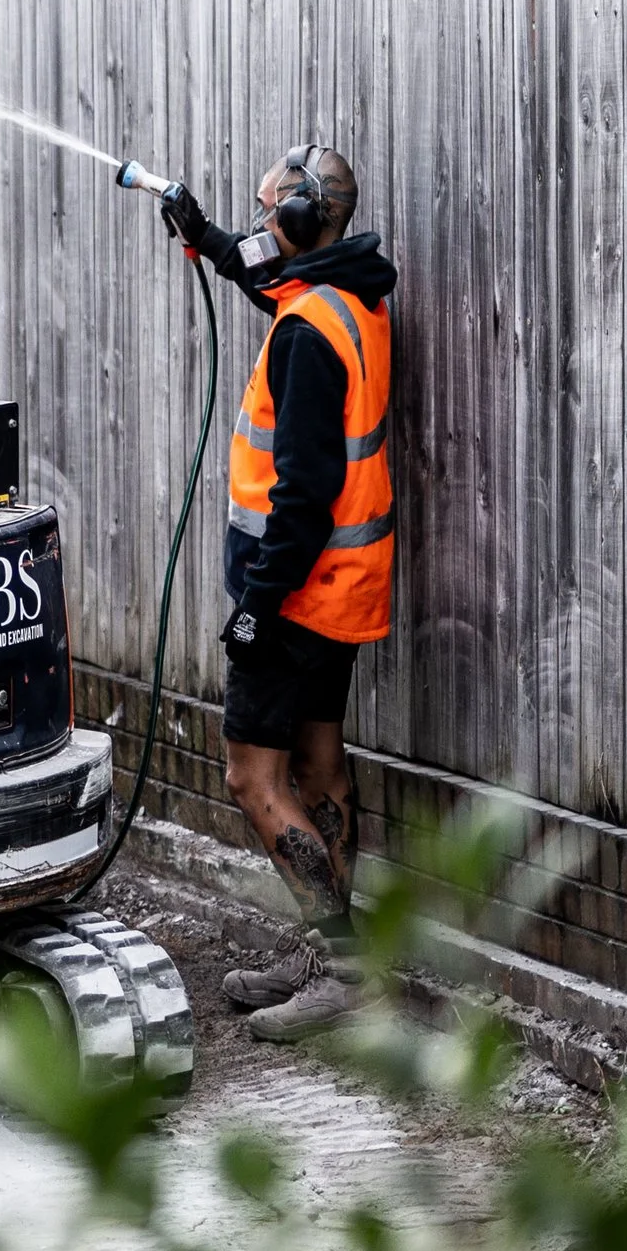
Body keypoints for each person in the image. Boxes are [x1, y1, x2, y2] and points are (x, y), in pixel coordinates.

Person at [160, 144, 397, 1041]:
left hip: (294, 593)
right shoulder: (350, 297)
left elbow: (301, 495)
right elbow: (272, 284)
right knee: (320, 765)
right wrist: (206, 236)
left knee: (253, 778)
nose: (260, 228)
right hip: (343, 589)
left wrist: (256, 606)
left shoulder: (305, 337)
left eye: (268, 217)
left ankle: (343, 973)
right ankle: (325, 954)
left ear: (301, 224)